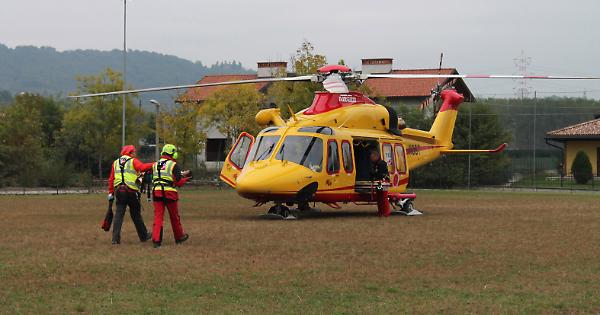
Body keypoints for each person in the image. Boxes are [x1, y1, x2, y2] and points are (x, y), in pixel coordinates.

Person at [107, 145, 154, 244]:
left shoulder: (116, 162)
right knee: (136, 214)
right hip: (131, 191)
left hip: (119, 191)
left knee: (119, 215)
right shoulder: (133, 161)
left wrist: (111, 192)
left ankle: (115, 239)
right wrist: (155, 164)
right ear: (130, 152)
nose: (135, 154)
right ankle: (144, 235)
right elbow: (142, 167)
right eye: (134, 152)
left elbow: (111, 179)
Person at [151, 144, 191, 248]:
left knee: (158, 217)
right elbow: (178, 181)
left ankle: (156, 240)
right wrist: (186, 179)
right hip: (169, 193)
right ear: (172, 153)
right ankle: (179, 237)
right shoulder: (173, 165)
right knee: (174, 217)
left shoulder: (155, 164)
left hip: (156, 192)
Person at [369, 149, 391, 217]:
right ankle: (381, 212)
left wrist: (374, 175)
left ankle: (386, 212)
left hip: (383, 183)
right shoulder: (375, 164)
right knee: (379, 198)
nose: (371, 158)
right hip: (379, 183)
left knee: (383, 197)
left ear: (376, 156)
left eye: (372, 157)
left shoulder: (382, 163)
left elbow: (380, 174)